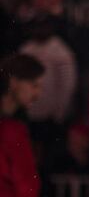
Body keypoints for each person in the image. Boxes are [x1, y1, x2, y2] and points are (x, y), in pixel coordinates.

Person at [0, 54, 44, 197]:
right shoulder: (13, 130)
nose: (38, 93)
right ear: (13, 82)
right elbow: (26, 186)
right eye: (34, 85)